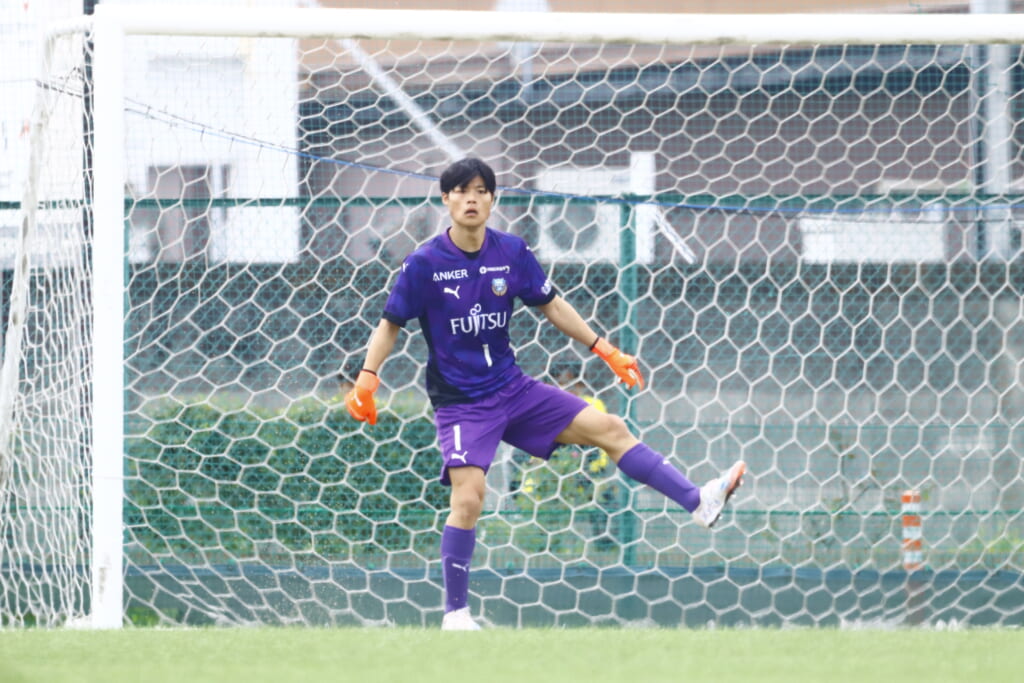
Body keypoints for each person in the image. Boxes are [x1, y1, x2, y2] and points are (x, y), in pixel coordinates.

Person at [344, 157, 746, 631]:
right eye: (462, 191)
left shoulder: (511, 251)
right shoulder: (424, 263)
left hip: (514, 390)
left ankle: (698, 501)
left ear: (492, 199)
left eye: (481, 191)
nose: (471, 199)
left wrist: (605, 349)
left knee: (611, 428)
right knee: (469, 499)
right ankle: (455, 615)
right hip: (462, 404)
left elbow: (551, 304)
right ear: (446, 198)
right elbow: (390, 324)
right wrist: (367, 378)